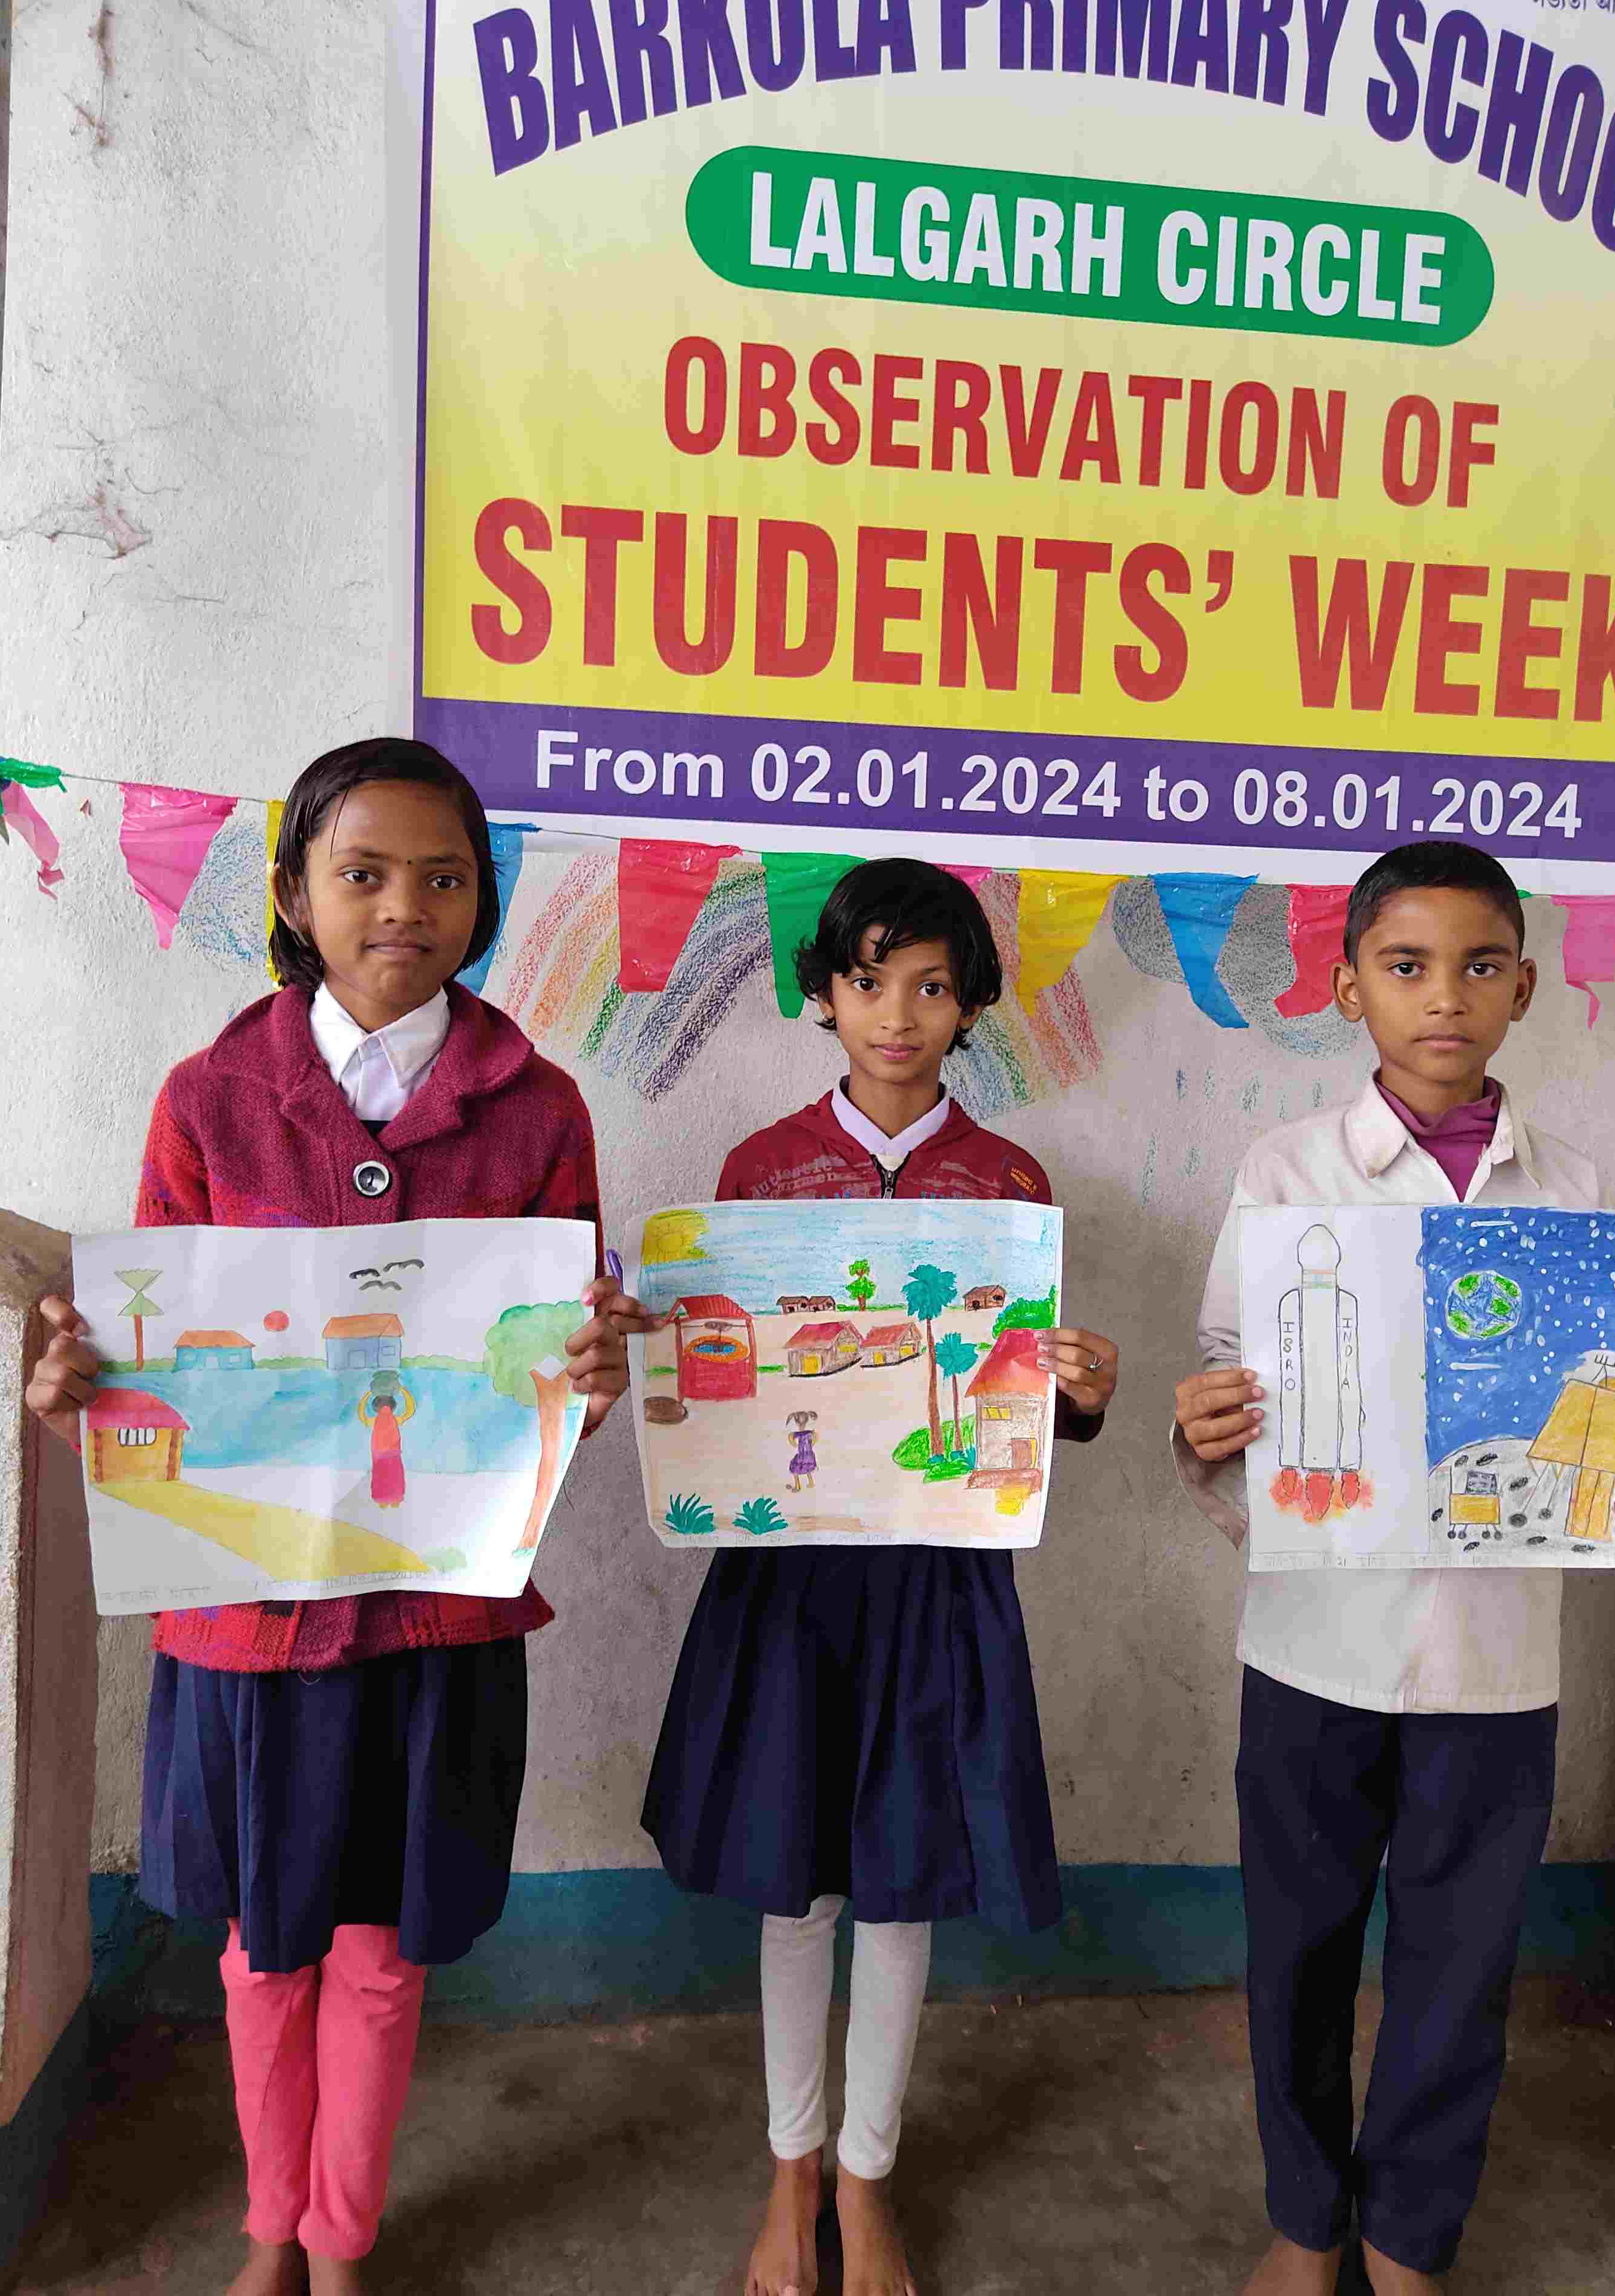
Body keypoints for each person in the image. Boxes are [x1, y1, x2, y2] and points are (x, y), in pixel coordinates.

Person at [25, 738, 645, 2296]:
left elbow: (555, 1367)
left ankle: (342, 2235)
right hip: (252, 1620)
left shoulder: (540, 1108)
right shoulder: (210, 1099)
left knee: (381, 1949)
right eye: (362, 872)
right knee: (264, 1942)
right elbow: (157, 1347)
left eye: (444, 876)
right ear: (294, 895)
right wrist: (86, 1383)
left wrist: (592, 1374)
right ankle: (267, 2226)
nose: (403, 907)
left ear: (482, 898)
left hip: (434, 1612)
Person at [1171, 841, 1615, 2296]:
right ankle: (1304, 2225)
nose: (1445, 996)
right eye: (1408, 964)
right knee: (1298, 1948)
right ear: (1349, 986)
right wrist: (1204, 1428)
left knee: (1461, 1964)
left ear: (1525, 989)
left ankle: (1407, 2239)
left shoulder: (1577, 1191)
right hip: (1313, 1643)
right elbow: (1230, 1373)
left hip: (1497, 1664)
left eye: (1480, 964)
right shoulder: (1286, 1173)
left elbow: (1612, 1428)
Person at [642, 858, 1121, 2296]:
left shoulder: (1011, 1185)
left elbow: (1025, 1403)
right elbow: (717, 1378)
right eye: (868, 980)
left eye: (931, 985)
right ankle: (792, 2169)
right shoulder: (759, 1168)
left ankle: (867, 2176)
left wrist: (1081, 1393)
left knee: (902, 1885)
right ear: (824, 994)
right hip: (790, 1582)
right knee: (795, 1885)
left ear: (970, 1004)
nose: (897, 1014)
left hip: (939, 1579)